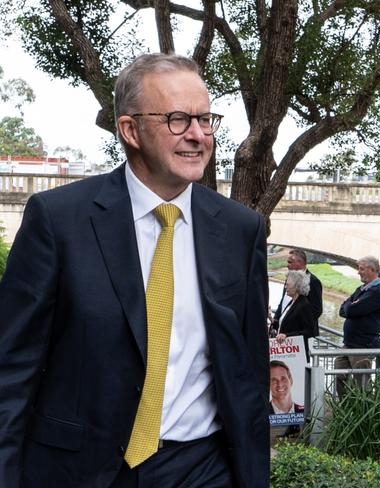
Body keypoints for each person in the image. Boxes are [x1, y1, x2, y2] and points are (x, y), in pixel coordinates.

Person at [0, 54, 270, 487]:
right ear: (131, 130)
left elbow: (250, 375)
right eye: (179, 119)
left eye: (206, 119)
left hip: (203, 469)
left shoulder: (242, 230)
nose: (199, 135)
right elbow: (11, 371)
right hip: (80, 471)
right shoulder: (58, 220)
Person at [335, 256, 380, 397]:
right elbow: (342, 309)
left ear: (372, 269)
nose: (359, 272)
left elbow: (351, 310)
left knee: (362, 386)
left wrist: (350, 306)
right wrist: (350, 305)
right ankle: (346, 411)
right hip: (349, 345)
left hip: (363, 346)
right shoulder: (362, 289)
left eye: (362, 269)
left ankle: (366, 416)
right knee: (339, 376)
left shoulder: (377, 292)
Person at [274, 249, 322, 337]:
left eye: (290, 262)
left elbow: (317, 310)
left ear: (299, 263)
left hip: (300, 335)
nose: (287, 265)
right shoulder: (290, 278)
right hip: (284, 332)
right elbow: (283, 302)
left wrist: (293, 326)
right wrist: (276, 319)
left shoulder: (313, 281)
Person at [271, 270, 314, 361]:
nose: (285, 287)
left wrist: (286, 335)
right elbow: (283, 325)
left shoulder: (304, 305)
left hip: (297, 355)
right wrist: (270, 318)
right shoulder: (292, 302)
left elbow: (309, 331)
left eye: (288, 285)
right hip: (287, 352)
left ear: (297, 287)